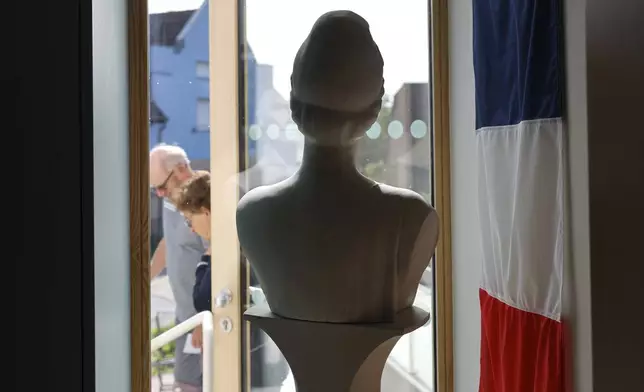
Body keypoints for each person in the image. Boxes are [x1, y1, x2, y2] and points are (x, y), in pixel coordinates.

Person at [150, 144, 207, 392]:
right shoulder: (172, 202)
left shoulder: (202, 202)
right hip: (185, 317)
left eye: (162, 188)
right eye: (156, 191)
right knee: (186, 384)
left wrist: (203, 319)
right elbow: (168, 241)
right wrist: (144, 280)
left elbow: (217, 259)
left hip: (203, 320)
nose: (160, 194)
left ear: (181, 169)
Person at [176, 171, 212, 320]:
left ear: (205, 213)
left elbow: (203, 301)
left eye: (189, 219)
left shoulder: (227, 250)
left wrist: (206, 257)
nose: (191, 228)